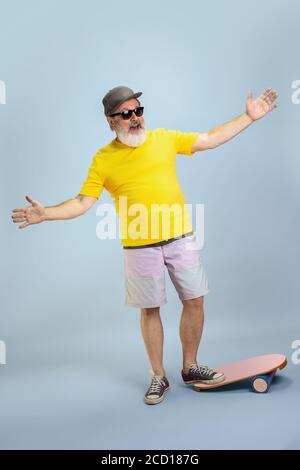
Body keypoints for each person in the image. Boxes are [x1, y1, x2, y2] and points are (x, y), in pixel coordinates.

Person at [11, 85, 279, 405]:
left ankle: (190, 367)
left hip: (181, 239)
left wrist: (248, 118)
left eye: (139, 110)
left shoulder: (164, 138)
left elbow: (208, 139)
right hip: (140, 248)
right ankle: (157, 376)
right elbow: (82, 202)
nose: (135, 118)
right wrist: (47, 214)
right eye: (126, 114)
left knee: (195, 300)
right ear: (111, 121)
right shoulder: (103, 160)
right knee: (150, 310)